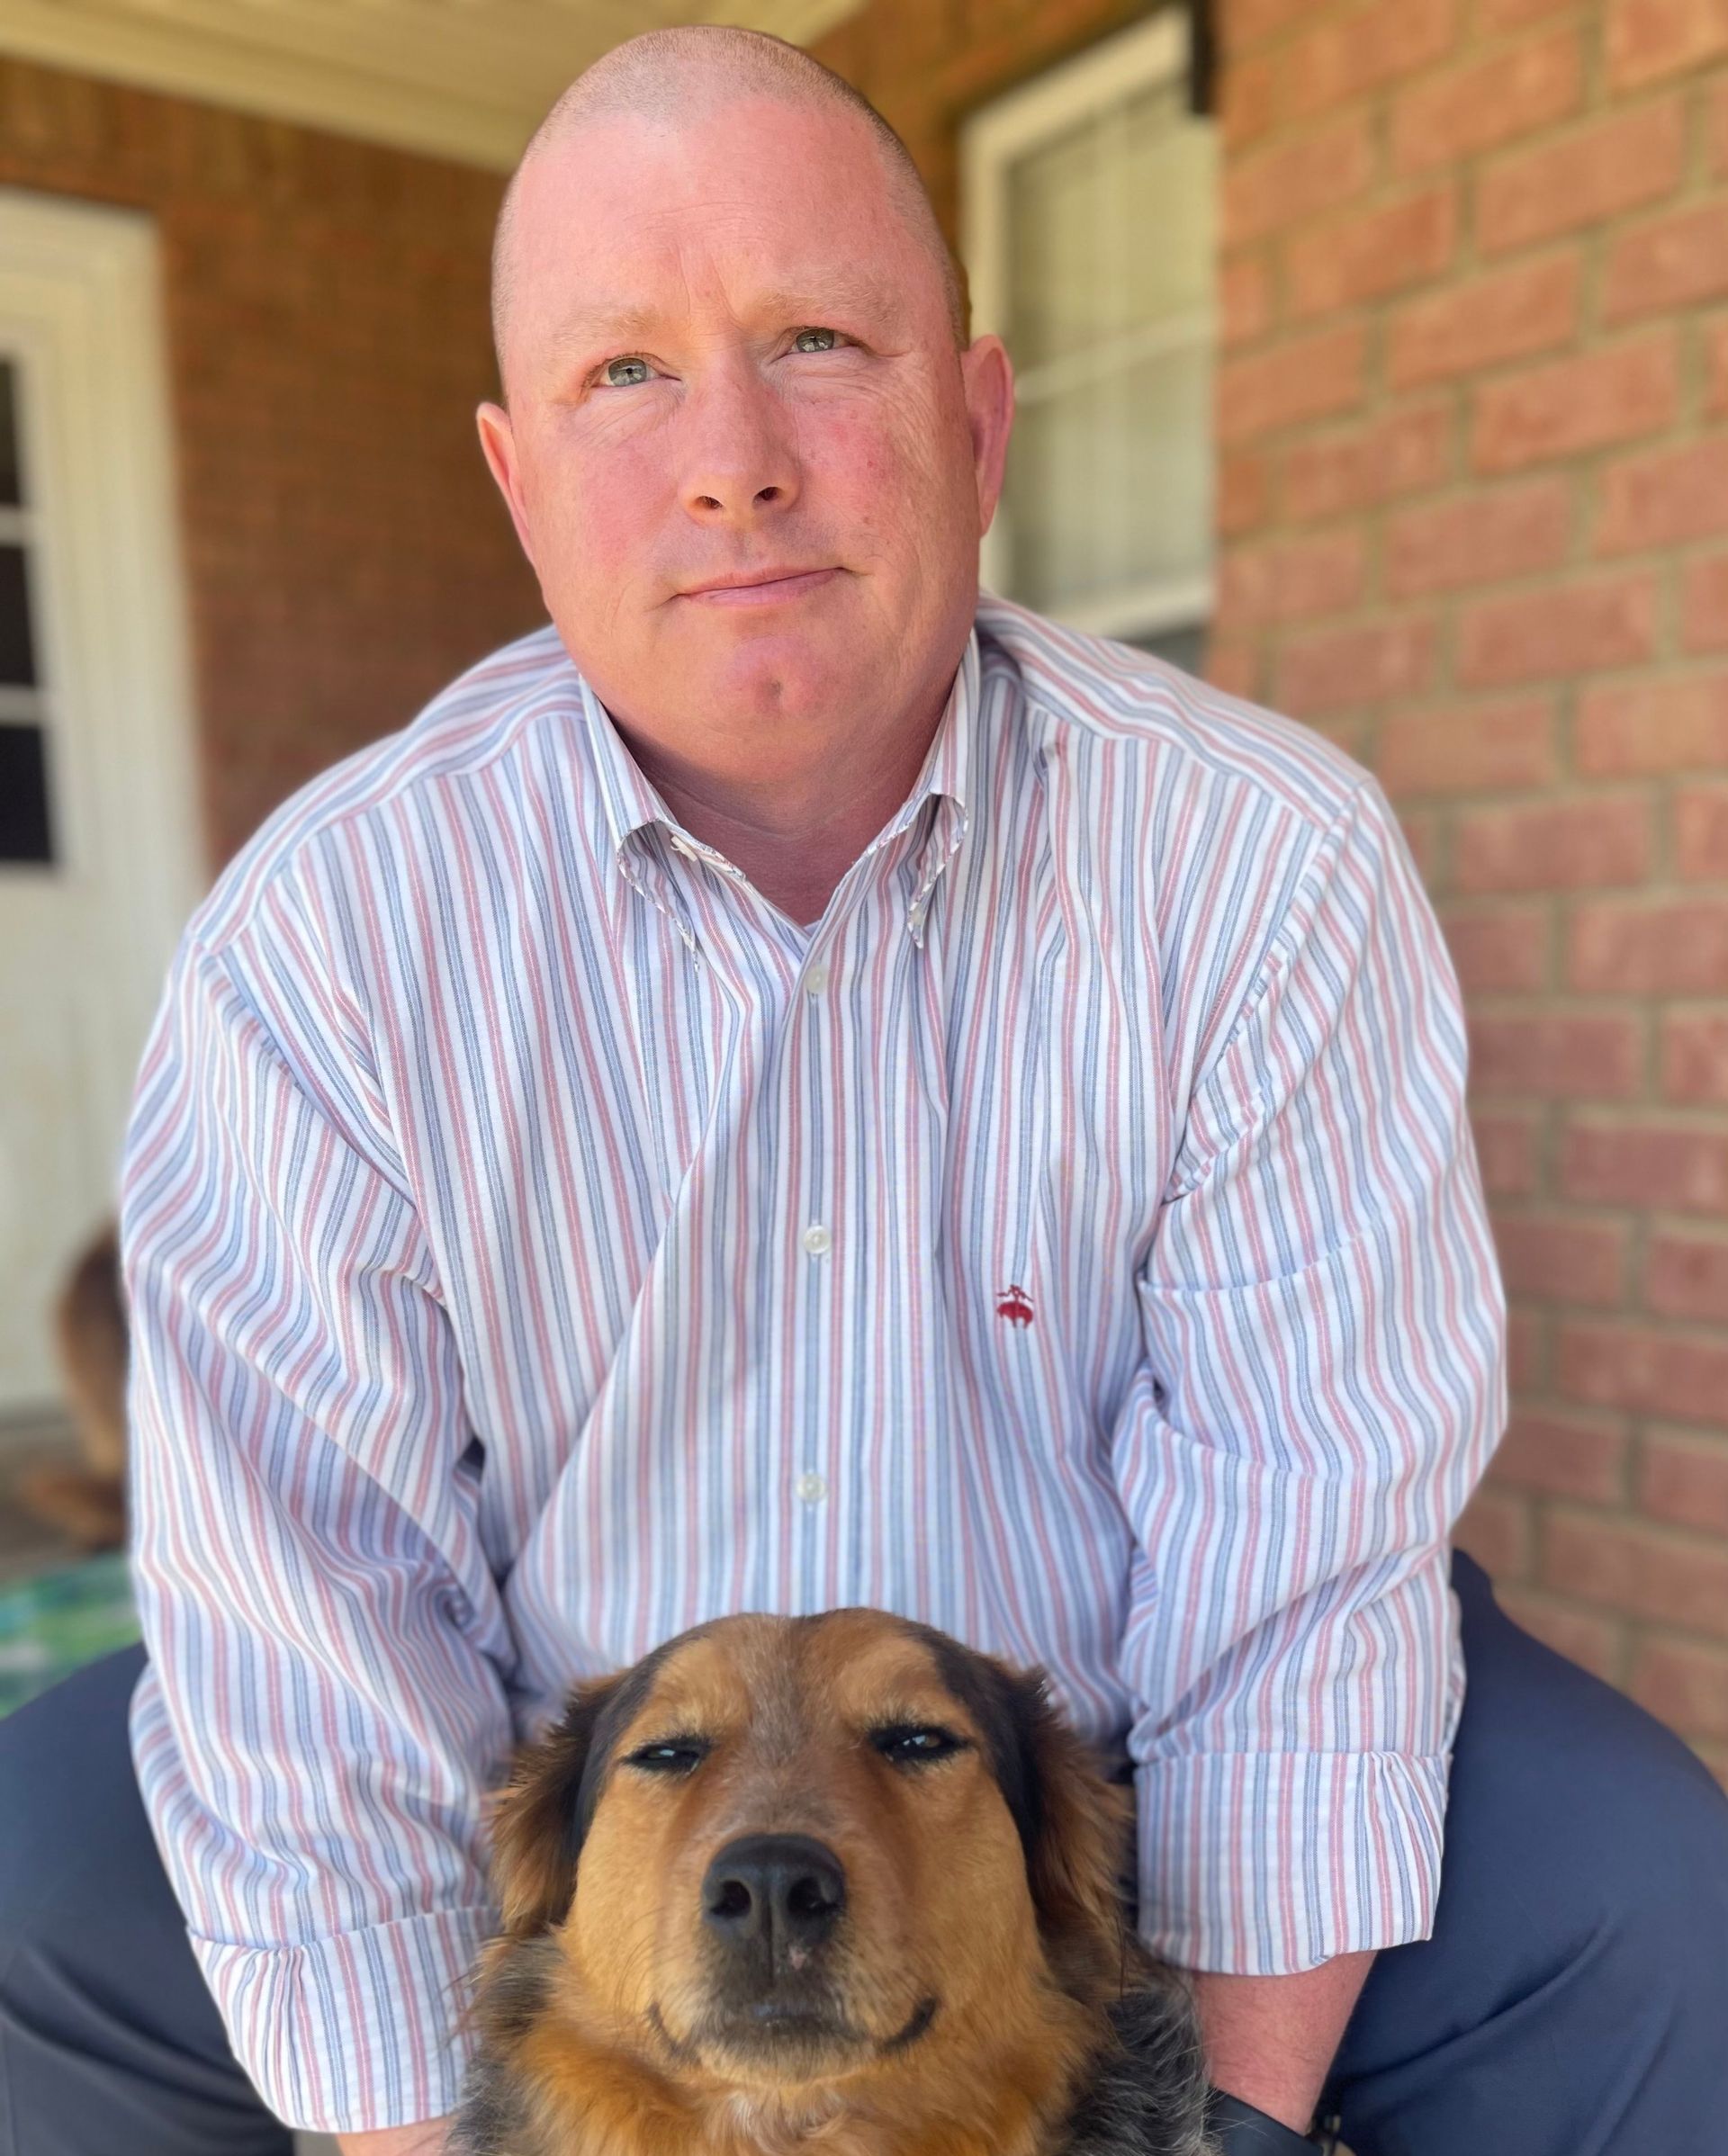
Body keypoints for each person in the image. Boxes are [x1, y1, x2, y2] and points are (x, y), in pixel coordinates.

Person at [2, 27, 1724, 2156]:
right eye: (624, 374)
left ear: (977, 422)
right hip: (585, 1768)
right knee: (36, 1882)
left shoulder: (1265, 860)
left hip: (1105, 1765)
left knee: (1636, 1895)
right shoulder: (325, 939)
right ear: (519, 482)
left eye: (817, 342)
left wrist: (1225, 2131)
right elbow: (311, 1623)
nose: (732, 461)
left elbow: (1301, 1571)